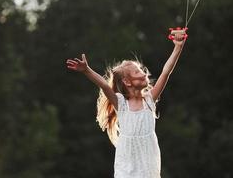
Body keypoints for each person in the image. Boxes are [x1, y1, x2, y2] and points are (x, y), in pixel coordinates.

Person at [66, 34, 186, 178]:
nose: (144, 74)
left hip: (148, 165)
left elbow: (166, 72)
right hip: (126, 166)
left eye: (142, 70)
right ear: (127, 82)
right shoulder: (121, 104)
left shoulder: (149, 100)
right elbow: (104, 85)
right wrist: (87, 70)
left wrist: (178, 48)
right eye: (137, 72)